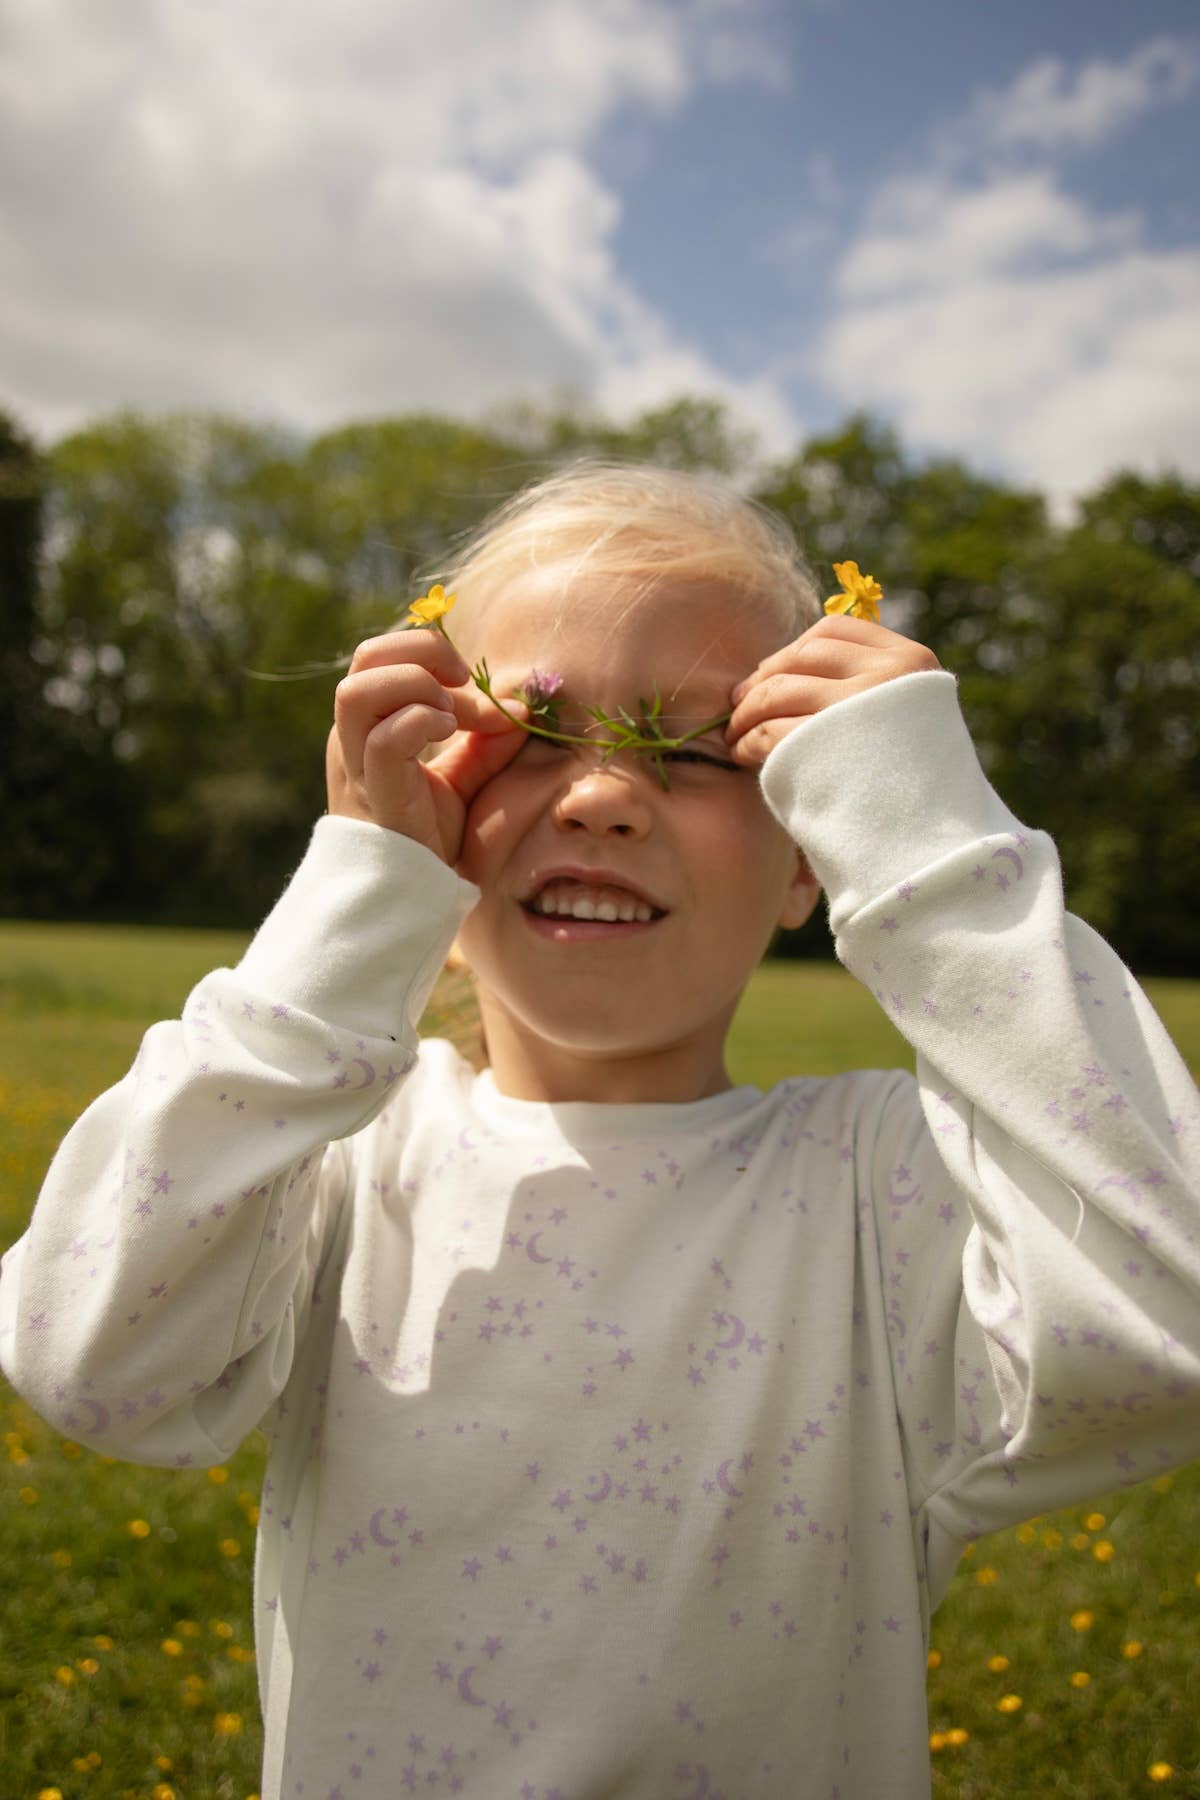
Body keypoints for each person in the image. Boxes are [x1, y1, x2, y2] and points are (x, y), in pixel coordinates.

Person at [1, 462, 1197, 1800]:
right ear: (428, 816)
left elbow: (1164, 1326)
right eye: (531, 733)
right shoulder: (340, 1168)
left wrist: (932, 851)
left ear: (811, 854)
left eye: (698, 750)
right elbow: (91, 1355)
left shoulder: (880, 1189)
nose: (604, 796)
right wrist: (357, 896)